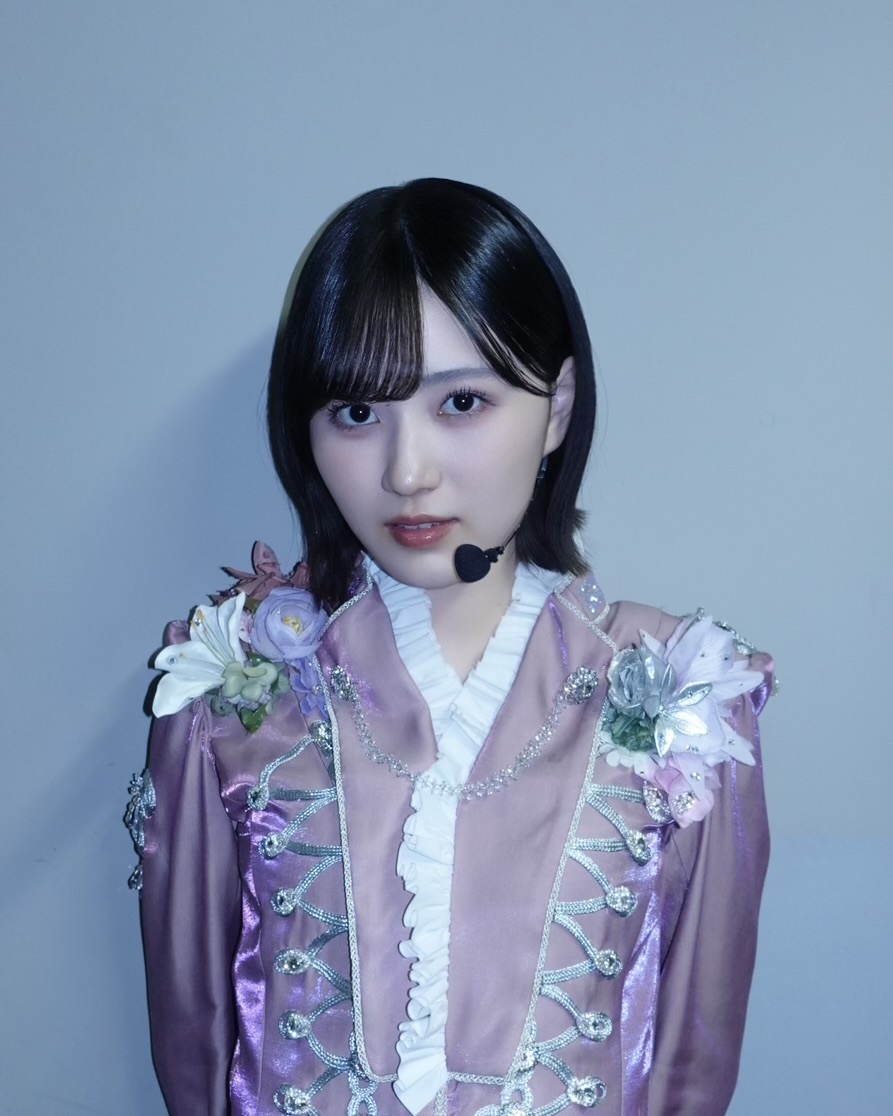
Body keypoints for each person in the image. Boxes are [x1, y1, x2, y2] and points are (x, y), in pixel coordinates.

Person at [127, 178, 772, 1116]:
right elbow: (194, 1039)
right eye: (356, 413)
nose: (406, 471)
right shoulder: (230, 695)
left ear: (555, 408)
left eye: (461, 402)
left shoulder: (680, 693)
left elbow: (692, 1061)